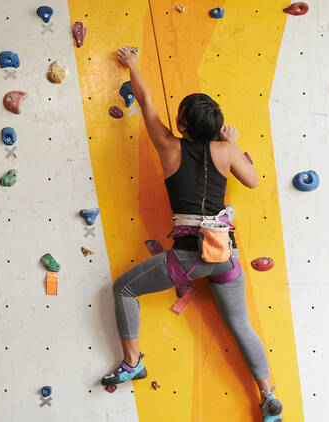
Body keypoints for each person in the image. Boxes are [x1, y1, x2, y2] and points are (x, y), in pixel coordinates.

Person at [101, 47, 282, 421]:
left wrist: (133, 64)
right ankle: (268, 396)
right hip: (225, 257)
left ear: (182, 126)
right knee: (240, 325)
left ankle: (133, 362)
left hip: (189, 258)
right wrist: (231, 143)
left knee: (123, 289)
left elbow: (146, 102)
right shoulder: (226, 151)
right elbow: (252, 180)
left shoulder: (168, 147)